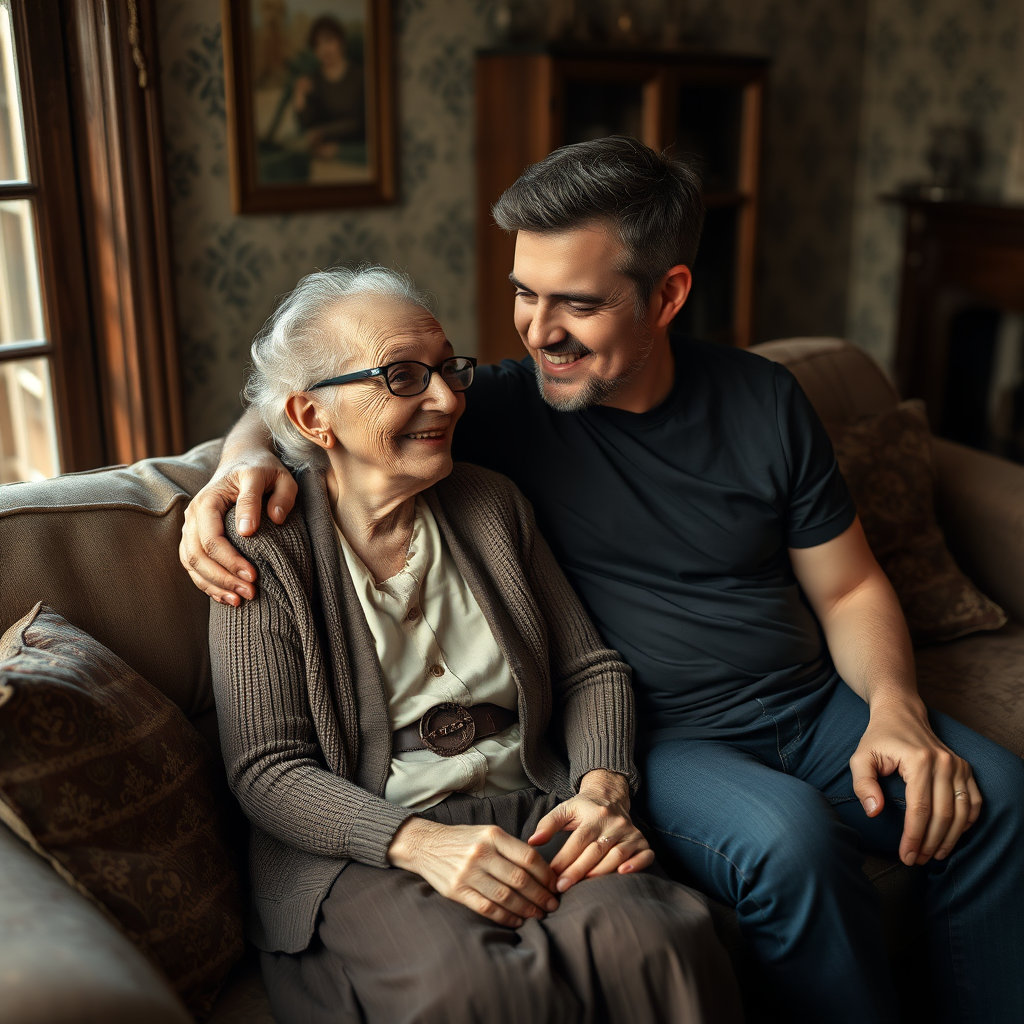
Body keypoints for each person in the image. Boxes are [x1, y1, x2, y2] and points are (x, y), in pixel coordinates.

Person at [184, 138, 1024, 1024]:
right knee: (791, 844)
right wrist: (234, 467)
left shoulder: (764, 399)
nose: (540, 330)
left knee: (998, 800)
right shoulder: (498, 410)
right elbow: (323, 397)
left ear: (667, 295)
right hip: (671, 740)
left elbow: (850, 589)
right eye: (523, 293)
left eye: (576, 303)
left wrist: (895, 708)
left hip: (811, 706)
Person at [206, 264, 740, 1024]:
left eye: (449, 369)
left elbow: (590, 670)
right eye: (403, 376)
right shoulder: (264, 549)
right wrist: (416, 843)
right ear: (314, 418)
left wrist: (600, 789)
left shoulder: (490, 504)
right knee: (476, 994)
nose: (449, 398)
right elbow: (267, 769)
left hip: (535, 804)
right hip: (368, 842)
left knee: (655, 944)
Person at [291, 16, 365, 159]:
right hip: (323, 157)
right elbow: (306, 126)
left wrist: (328, 138)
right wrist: (299, 95)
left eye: (328, 41)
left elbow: (362, 122)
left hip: (356, 152)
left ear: (340, 41)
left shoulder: (361, 75)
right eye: (317, 45)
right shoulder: (314, 80)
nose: (323, 49)